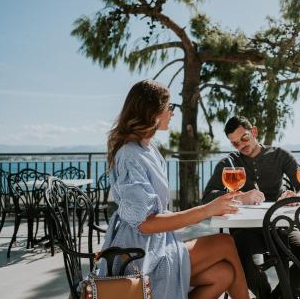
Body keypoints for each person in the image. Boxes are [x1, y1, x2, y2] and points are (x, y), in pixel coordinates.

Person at [101, 80, 249, 299]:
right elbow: (146, 224)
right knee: (225, 243)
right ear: (152, 112)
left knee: (224, 274)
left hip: (156, 244)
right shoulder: (130, 155)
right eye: (169, 107)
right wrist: (206, 210)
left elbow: (154, 214)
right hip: (139, 256)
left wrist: (211, 209)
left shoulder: (148, 149)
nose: (172, 113)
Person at [202, 116, 300, 299]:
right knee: (238, 256)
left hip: (281, 225)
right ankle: (265, 295)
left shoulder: (280, 155)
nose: (241, 146)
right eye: (235, 143)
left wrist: (298, 196)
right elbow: (207, 198)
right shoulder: (228, 164)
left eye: (244, 138)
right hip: (246, 230)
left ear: (254, 132)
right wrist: (241, 197)